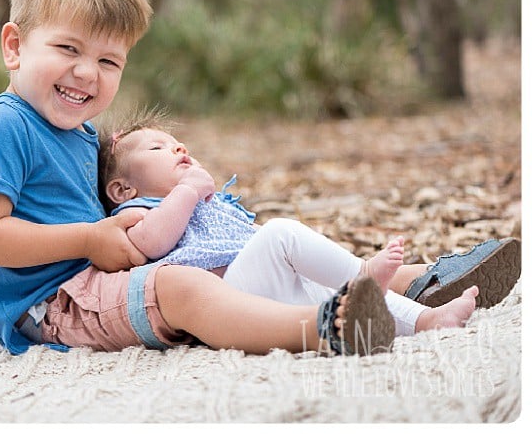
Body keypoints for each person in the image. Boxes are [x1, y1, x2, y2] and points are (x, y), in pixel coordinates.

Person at [0, 0, 395, 358]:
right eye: (68, 48)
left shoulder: (80, 134)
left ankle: (412, 285)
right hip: (49, 306)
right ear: (14, 46)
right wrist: (89, 239)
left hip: (94, 281)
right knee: (180, 287)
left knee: (239, 257)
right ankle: (324, 327)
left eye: (109, 61)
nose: (87, 72)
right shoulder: (4, 126)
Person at [98, 109, 520, 336]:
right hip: (228, 301)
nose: (178, 149)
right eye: (158, 147)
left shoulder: (203, 204)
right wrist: (186, 191)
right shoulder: (140, 210)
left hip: (268, 289)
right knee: (282, 232)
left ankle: (427, 320)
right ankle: (366, 272)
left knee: (333, 293)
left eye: (179, 145)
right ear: (123, 189)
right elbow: (150, 246)